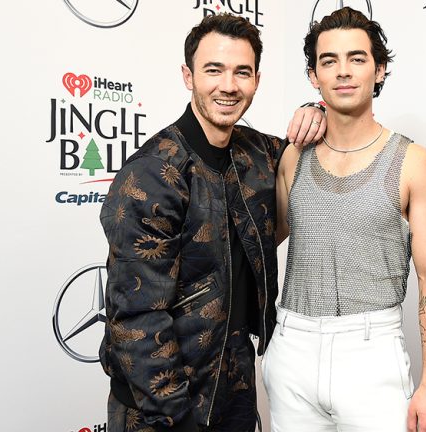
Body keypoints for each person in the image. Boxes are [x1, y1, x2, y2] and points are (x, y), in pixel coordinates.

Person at [99, 13, 326, 432]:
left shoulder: (257, 153)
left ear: (257, 79)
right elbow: (135, 317)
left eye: (242, 72)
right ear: (188, 76)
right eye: (213, 70)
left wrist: (316, 110)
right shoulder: (152, 174)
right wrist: (174, 414)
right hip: (161, 407)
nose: (228, 85)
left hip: (235, 386)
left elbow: (314, 148)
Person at [265, 7, 426, 432]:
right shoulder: (292, 156)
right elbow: (262, 239)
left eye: (357, 59)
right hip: (292, 346)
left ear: (379, 70)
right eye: (329, 61)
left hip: (372, 356)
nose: (343, 72)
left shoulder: (414, 163)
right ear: (314, 76)